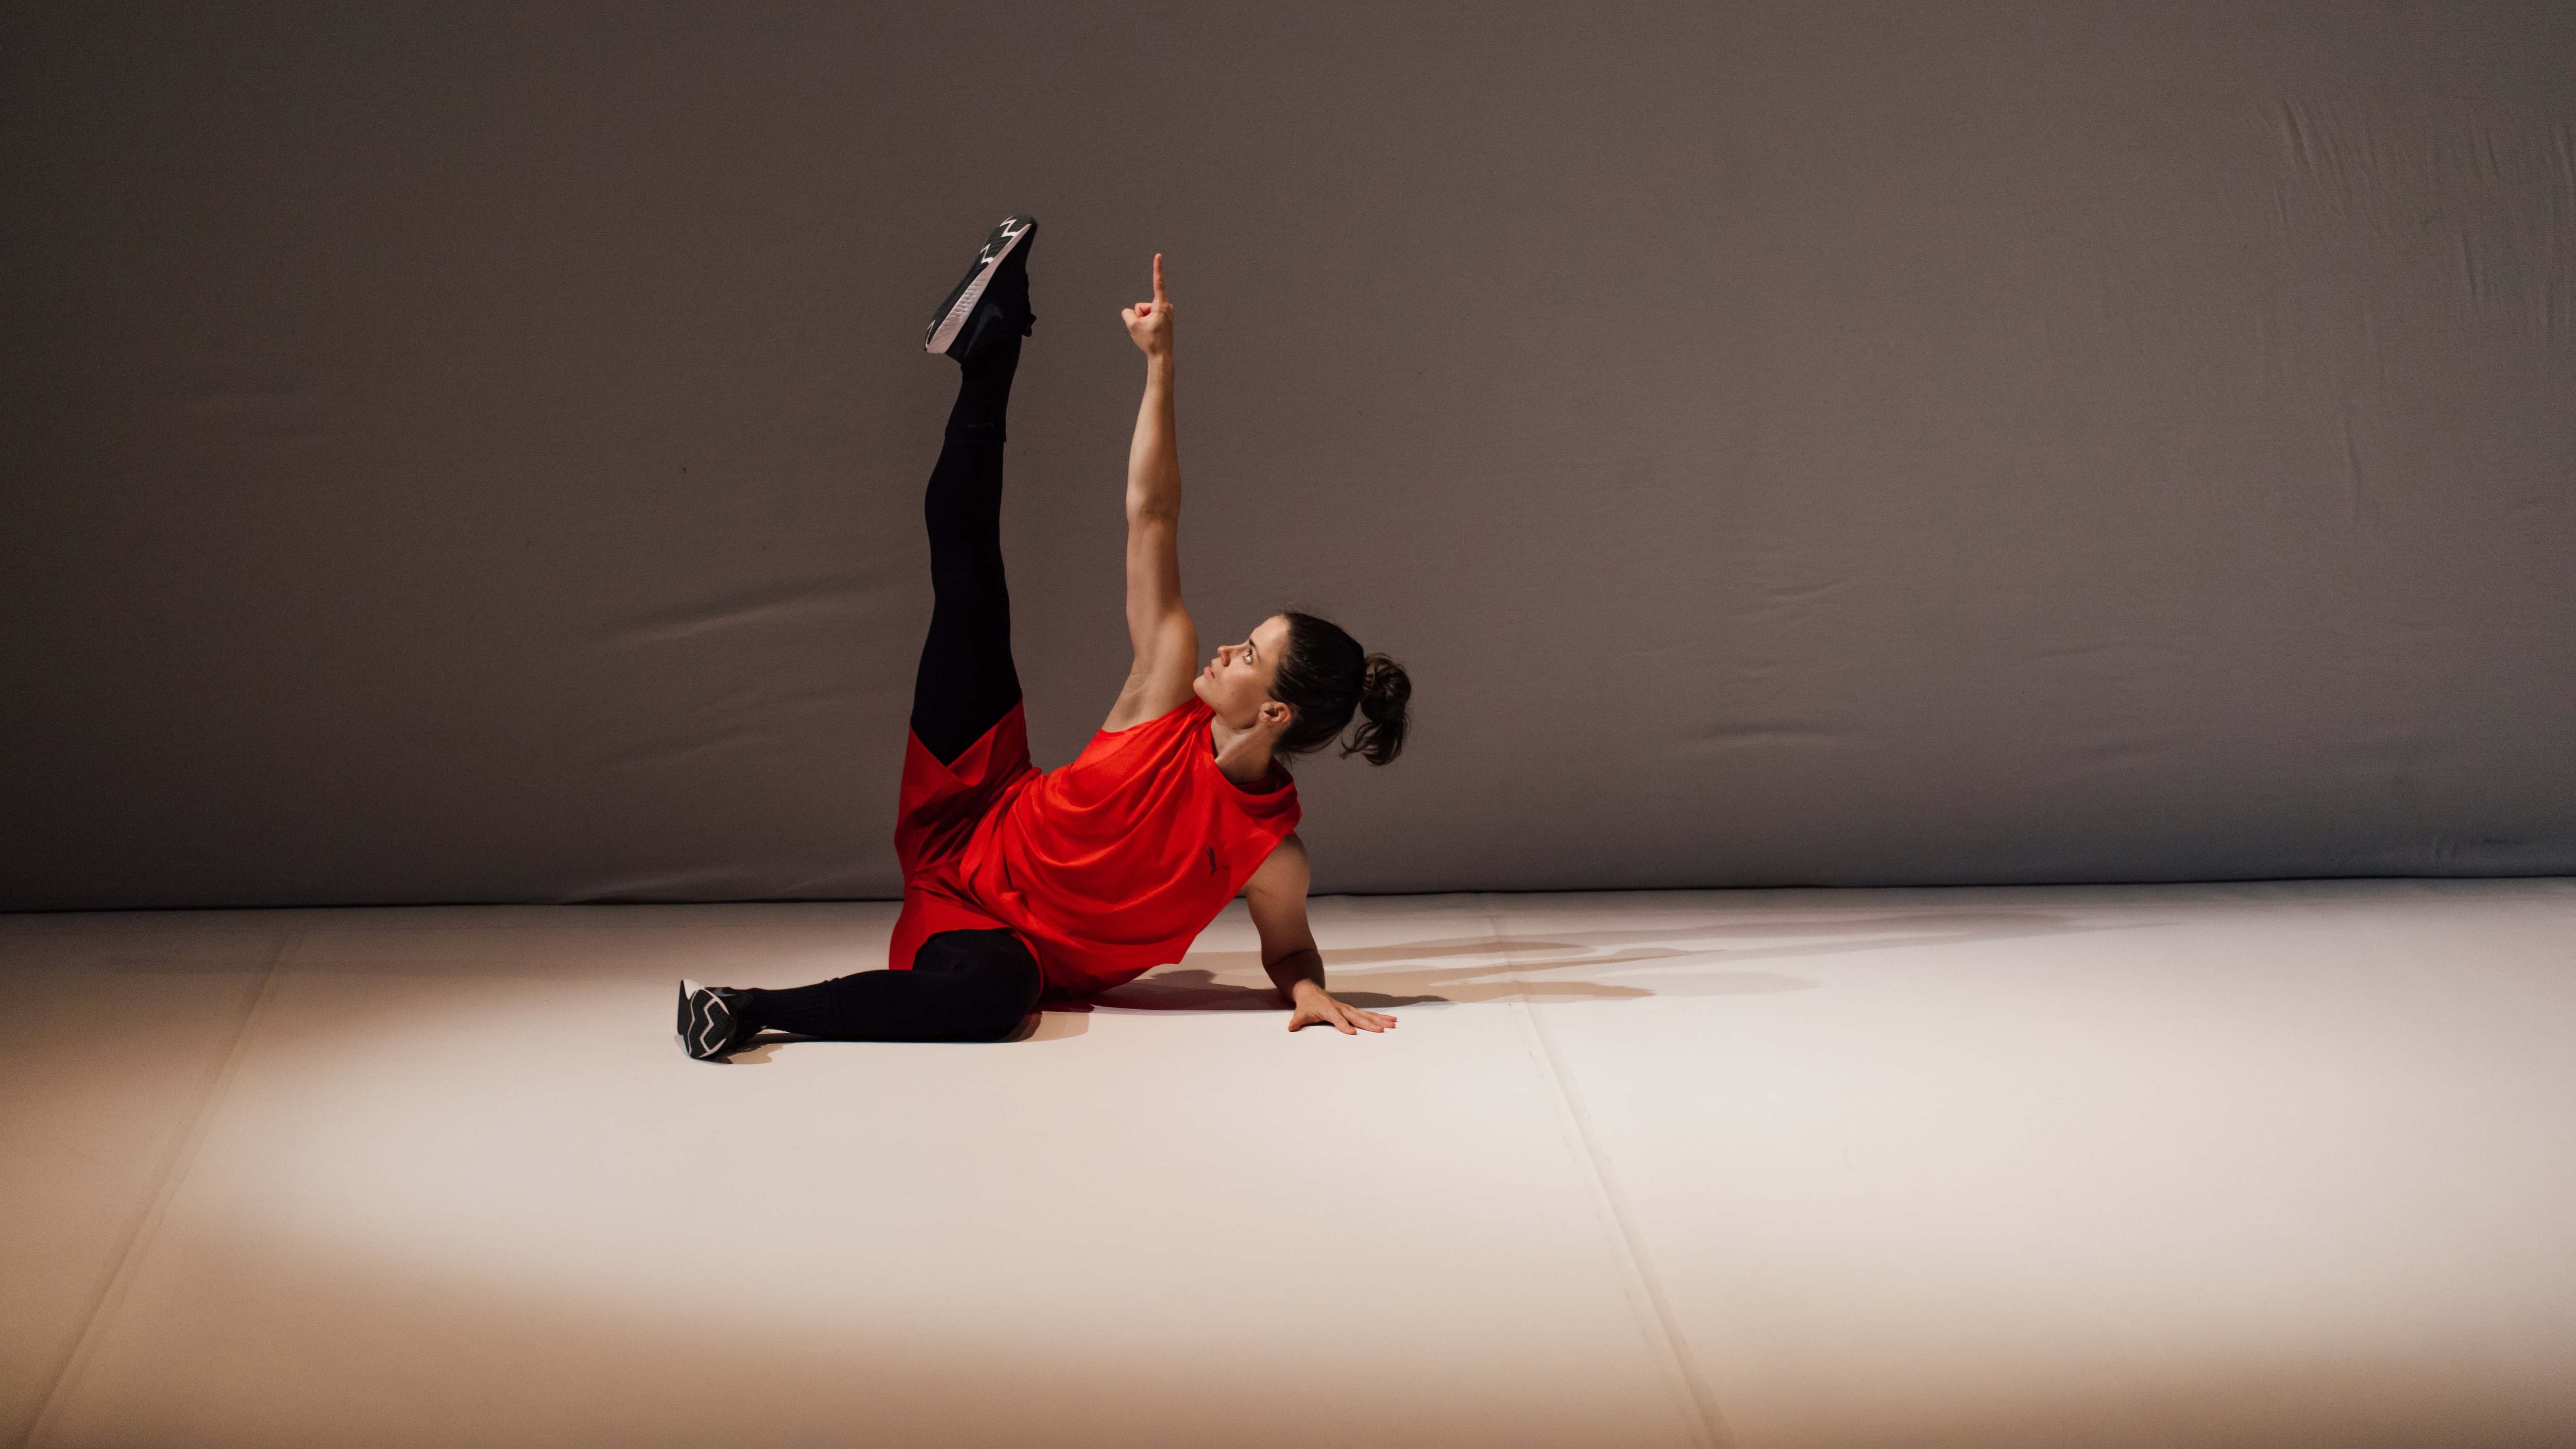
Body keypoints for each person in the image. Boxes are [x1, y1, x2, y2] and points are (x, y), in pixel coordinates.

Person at [676, 216, 1411, 1059]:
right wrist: (1161, 364)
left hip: (992, 935)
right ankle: (988, 351)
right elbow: (1154, 515)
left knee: (997, 1004)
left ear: (1276, 711)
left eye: (1248, 655)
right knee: (970, 589)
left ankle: (741, 1009)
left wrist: (1311, 988)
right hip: (974, 805)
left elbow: (1286, 947)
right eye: (1241, 638)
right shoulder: (1169, 684)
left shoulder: (1273, 859)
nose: (1225, 652)